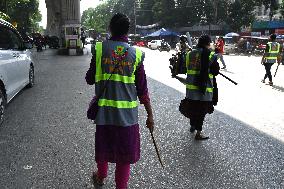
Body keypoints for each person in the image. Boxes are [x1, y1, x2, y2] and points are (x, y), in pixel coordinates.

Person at [85, 13, 154, 189]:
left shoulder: (100, 49)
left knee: (103, 148)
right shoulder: (136, 54)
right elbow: (142, 90)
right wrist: (150, 115)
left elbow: (89, 79)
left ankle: (100, 177)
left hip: (104, 114)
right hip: (127, 117)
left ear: (110, 28)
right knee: (124, 155)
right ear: (127, 30)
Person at [173, 35, 220, 140]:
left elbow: (186, 68)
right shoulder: (211, 55)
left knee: (193, 109)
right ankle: (198, 133)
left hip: (191, 89)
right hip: (204, 89)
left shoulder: (190, 54)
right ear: (207, 43)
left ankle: (193, 125)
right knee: (201, 112)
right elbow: (215, 71)